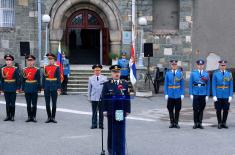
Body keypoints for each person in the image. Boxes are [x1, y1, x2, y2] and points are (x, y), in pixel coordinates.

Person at [101, 65, 131, 155]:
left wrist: (127, 110)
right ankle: (111, 150)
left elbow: (127, 98)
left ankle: (120, 150)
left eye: (118, 72)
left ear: (120, 73)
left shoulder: (125, 84)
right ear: (111, 73)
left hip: (120, 111)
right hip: (111, 111)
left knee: (120, 131)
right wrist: (104, 110)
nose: (116, 74)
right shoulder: (107, 84)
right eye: (114, 72)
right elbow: (104, 98)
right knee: (111, 131)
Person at [189, 59, 210, 129]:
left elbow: (208, 85)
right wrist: (191, 93)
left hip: (203, 93)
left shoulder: (206, 74)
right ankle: (195, 123)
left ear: (203, 65)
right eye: (199, 65)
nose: (200, 66)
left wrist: (207, 95)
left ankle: (200, 123)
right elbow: (190, 84)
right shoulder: (193, 73)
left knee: (201, 109)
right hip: (195, 93)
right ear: (197, 65)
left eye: (202, 65)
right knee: (195, 109)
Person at [212, 60, 233, 129]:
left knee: (226, 109)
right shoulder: (215, 74)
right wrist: (214, 95)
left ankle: (224, 122)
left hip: (226, 95)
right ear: (219, 66)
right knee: (218, 109)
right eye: (221, 65)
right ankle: (219, 123)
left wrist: (230, 95)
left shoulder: (229, 74)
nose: (223, 66)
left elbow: (231, 85)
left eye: (224, 65)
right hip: (218, 94)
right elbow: (213, 85)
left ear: (225, 66)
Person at [164, 60, 184, 129]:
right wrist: (166, 94)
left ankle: (176, 123)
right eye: (173, 65)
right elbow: (166, 84)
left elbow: (182, 85)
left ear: (177, 65)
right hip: (170, 94)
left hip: (178, 94)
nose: (174, 66)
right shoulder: (168, 73)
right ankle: (172, 122)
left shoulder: (180, 73)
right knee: (170, 109)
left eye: (175, 65)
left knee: (177, 109)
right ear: (171, 65)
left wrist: (182, 94)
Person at [0, 54, 21, 121]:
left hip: (13, 87)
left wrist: (18, 88)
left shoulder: (15, 69)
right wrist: (1, 89)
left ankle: (12, 116)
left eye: (9, 60)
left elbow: (18, 79)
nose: (8, 61)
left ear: (12, 61)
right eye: (7, 60)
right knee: (7, 103)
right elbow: (2, 80)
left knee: (12, 103)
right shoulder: (3, 69)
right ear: (5, 61)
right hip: (6, 87)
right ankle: (7, 116)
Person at [42, 53, 61, 123]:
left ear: (54, 60)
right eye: (49, 59)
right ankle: (48, 117)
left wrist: (59, 88)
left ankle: (53, 117)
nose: (50, 61)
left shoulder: (57, 67)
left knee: (54, 103)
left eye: (51, 59)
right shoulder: (45, 67)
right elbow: (43, 78)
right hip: (47, 87)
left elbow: (58, 79)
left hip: (54, 87)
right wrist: (43, 87)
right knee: (47, 103)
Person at [88, 64, 108, 129]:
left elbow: (106, 89)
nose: (97, 71)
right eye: (96, 70)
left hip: (102, 98)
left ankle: (101, 124)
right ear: (93, 71)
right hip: (94, 97)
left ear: (100, 70)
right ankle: (94, 124)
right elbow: (89, 89)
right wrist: (89, 97)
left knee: (101, 112)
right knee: (94, 112)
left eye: (98, 70)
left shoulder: (104, 78)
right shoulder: (90, 78)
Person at [22, 55, 41, 122]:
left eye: (31, 61)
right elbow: (23, 80)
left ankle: (34, 117)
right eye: (28, 61)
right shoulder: (24, 70)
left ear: (34, 61)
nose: (30, 62)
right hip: (27, 88)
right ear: (26, 61)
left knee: (34, 104)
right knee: (28, 104)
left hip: (34, 88)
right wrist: (23, 89)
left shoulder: (37, 69)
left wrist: (39, 89)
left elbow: (38, 80)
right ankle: (29, 116)